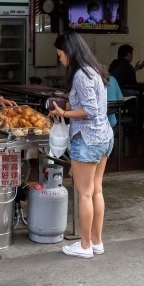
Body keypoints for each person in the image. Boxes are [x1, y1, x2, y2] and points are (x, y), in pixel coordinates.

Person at [48, 31, 113, 259]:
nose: (60, 58)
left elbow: (90, 110)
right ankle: (96, 241)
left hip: (87, 139)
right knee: (96, 191)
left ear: (69, 51)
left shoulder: (80, 75)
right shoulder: (94, 69)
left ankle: (85, 245)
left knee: (84, 194)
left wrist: (63, 112)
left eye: (60, 53)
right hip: (103, 137)